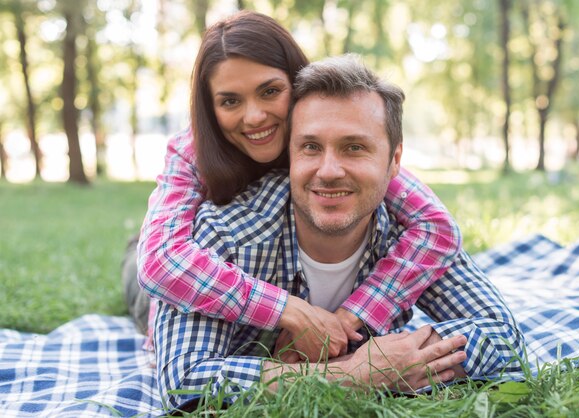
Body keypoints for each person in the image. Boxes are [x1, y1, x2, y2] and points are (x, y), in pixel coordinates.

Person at [153, 54, 525, 411]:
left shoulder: (416, 238)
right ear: (290, 155)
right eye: (311, 147)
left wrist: (400, 356)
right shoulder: (223, 234)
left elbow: (505, 337)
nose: (329, 171)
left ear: (394, 160)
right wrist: (353, 374)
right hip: (158, 281)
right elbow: (185, 383)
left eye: (354, 147)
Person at [131, 10, 463, 359]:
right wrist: (287, 309)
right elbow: (158, 260)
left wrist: (350, 317)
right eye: (230, 101)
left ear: (298, 85)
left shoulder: (329, 151)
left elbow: (437, 228)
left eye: (270, 91)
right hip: (185, 274)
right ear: (210, 108)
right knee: (136, 262)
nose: (254, 116)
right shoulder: (192, 152)